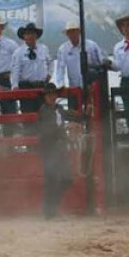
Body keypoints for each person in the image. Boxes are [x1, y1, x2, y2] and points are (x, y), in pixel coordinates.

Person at [36, 83, 83, 219]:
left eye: (53, 94)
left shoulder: (58, 109)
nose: (51, 96)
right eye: (49, 94)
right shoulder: (44, 111)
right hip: (49, 149)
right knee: (53, 180)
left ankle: (50, 209)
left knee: (64, 180)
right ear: (45, 97)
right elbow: (48, 130)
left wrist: (84, 114)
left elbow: (73, 116)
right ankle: (49, 210)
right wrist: (66, 128)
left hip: (58, 149)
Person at [55, 20, 105, 109]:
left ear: (79, 32)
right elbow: (60, 68)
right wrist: (61, 84)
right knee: (74, 115)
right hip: (74, 88)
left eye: (74, 31)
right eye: (70, 32)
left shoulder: (91, 45)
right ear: (67, 34)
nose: (72, 34)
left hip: (91, 89)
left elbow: (99, 63)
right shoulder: (63, 49)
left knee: (94, 114)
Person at [10, 22, 52, 114]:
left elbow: (50, 62)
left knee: (43, 114)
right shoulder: (18, 52)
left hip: (41, 86)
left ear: (36, 35)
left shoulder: (44, 49)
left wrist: (49, 74)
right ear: (24, 36)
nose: (30, 36)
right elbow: (15, 70)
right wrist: (15, 86)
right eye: (27, 34)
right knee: (28, 114)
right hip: (26, 87)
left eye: (32, 33)